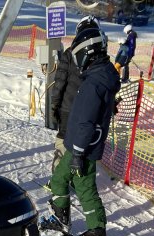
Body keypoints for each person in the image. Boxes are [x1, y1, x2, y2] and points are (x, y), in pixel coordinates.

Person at [45, 26, 121, 236]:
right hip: (85, 146)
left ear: (87, 52)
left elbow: (86, 121)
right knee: (83, 184)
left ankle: (63, 218)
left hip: (81, 148)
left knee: (60, 179)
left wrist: (77, 153)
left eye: (78, 55)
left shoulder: (93, 83)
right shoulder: (102, 76)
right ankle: (96, 227)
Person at [50, 15, 100, 171]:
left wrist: (55, 105)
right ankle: (74, 172)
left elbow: (60, 82)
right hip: (87, 109)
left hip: (67, 107)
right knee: (82, 140)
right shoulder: (100, 56)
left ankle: (59, 172)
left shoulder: (70, 53)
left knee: (64, 137)